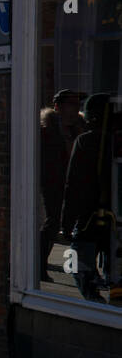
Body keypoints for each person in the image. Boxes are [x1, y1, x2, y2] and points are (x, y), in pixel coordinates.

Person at [61, 92, 116, 302]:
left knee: (76, 262)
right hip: (113, 217)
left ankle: (95, 302)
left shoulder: (85, 141)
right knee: (113, 266)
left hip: (88, 217)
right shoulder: (113, 141)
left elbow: (72, 185)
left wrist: (66, 222)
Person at [40, 90, 85, 282]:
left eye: (77, 104)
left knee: (76, 227)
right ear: (58, 107)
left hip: (75, 184)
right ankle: (39, 265)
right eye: (71, 104)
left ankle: (81, 270)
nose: (75, 109)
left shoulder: (80, 131)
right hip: (53, 184)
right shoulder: (47, 131)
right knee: (52, 223)